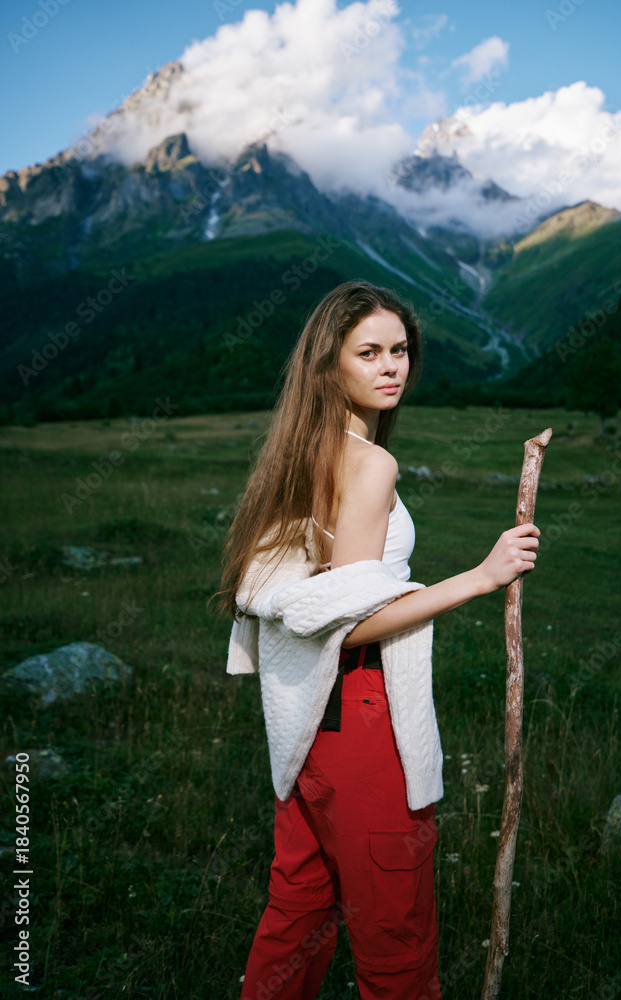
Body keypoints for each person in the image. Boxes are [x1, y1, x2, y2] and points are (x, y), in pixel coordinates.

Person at [214, 280, 540, 1000]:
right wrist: (478, 578)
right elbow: (347, 616)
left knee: (296, 919)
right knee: (395, 938)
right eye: (369, 352)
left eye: (400, 350)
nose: (392, 366)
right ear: (328, 365)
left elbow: (307, 592)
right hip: (362, 718)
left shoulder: (301, 453)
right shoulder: (368, 463)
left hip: (303, 722)